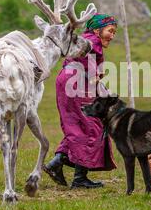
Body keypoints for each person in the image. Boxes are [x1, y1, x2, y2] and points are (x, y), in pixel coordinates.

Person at [44, 13, 118, 189]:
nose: (113, 36)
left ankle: (56, 163)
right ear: (98, 30)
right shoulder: (93, 42)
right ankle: (79, 179)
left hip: (66, 81)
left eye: (115, 32)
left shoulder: (85, 39)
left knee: (77, 125)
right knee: (90, 125)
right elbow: (93, 74)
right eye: (110, 31)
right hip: (77, 83)